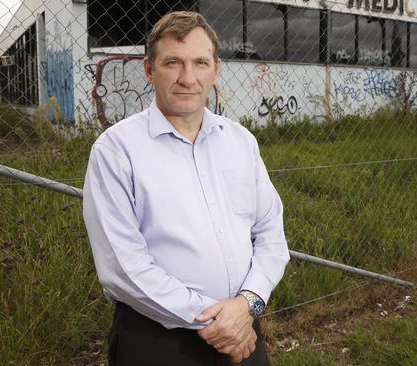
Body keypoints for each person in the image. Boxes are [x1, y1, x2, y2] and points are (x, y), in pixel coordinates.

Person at [83, 11, 290, 366]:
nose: (187, 78)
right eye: (173, 63)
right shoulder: (116, 150)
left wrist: (248, 304)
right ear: (149, 70)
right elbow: (123, 266)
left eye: (200, 62)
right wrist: (219, 321)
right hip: (158, 341)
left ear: (216, 69)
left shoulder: (241, 142)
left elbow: (270, 231)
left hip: (242, 326)